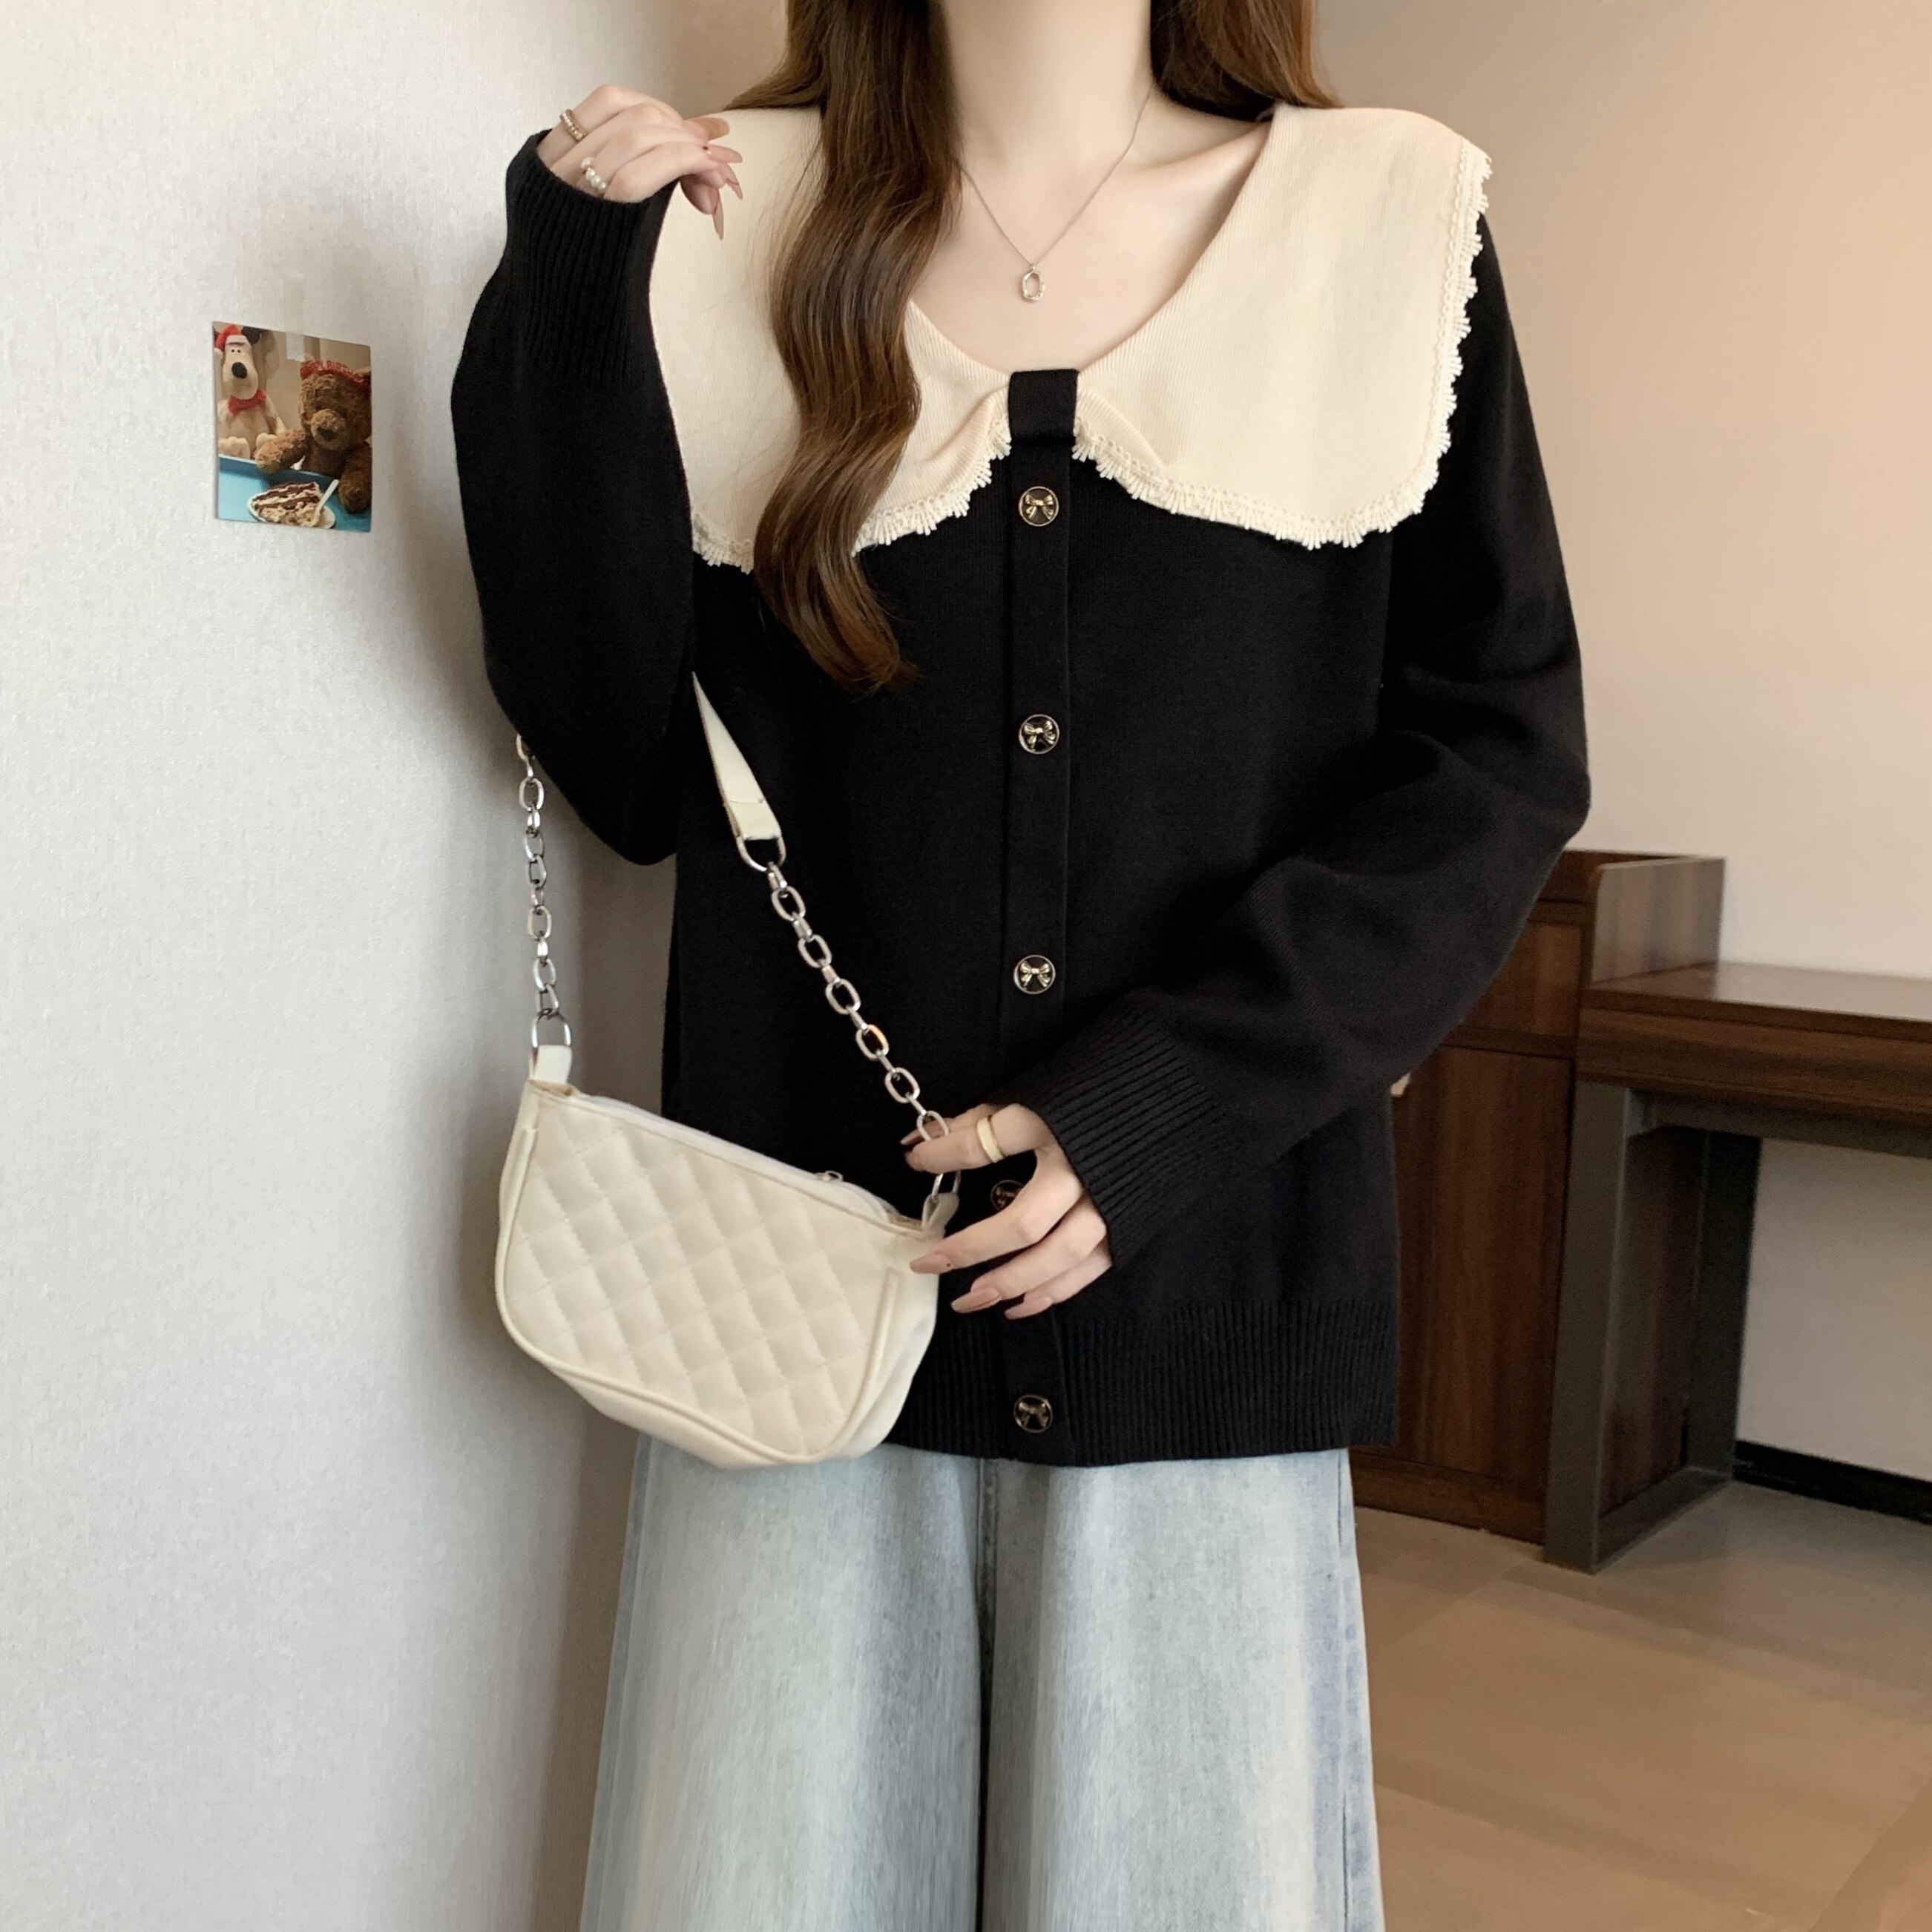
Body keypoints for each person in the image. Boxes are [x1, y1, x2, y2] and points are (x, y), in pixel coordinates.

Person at [451, 0, 1588, 1923]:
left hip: (1202, 1312)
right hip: (794, 1328)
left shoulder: (1385, 217)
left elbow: (1497, 757)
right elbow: (628, 769)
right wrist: (567, 286)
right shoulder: (735, 215)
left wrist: (1158, 1111)